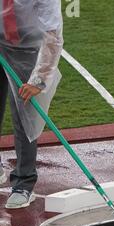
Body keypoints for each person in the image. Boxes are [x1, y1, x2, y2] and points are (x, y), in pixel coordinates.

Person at [0, 0, 63, 209]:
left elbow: (52, 33)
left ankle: (23, 183)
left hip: (27, 48)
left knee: (24, 116)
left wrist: (39, 80)